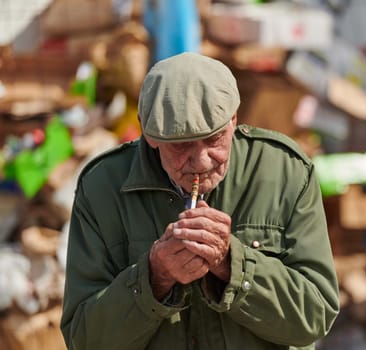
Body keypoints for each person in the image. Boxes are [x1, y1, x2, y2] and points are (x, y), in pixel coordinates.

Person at [60, 52, 339, 350]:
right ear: (149, 134)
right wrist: (154, 278)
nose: (201, 161)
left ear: (234, 119)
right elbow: (84, 340)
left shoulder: (285, 171)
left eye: (214, 139)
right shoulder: (102, 187)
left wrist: (233, 265)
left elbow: (316, 316)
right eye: (180, 145)